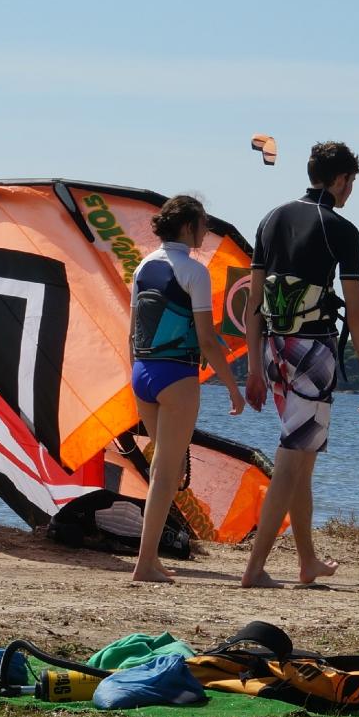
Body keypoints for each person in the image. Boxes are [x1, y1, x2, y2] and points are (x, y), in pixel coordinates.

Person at [241, 141, 359, 587]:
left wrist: (254, 367)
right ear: (340, 180)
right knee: (291, 459)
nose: (351, 190)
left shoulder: (270, 217)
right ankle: (255, 567)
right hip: (311, 352)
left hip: (273, 349)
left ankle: (307, 562)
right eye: (351, 182)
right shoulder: (340, 228)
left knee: (303, 459)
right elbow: (355, 312)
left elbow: (253, 303)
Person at [127, 194, 246, 583]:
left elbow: (134, 332)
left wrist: (140, 371)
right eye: (203, 224)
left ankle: (151, 558)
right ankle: (145, 563)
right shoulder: (194, 272)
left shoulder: (143, 267)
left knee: (168, 466)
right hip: (176, 376)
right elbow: (207, 340)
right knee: (165, 471)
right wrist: (232, 387)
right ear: (188, 227)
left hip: (142, 373)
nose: (205, 231)